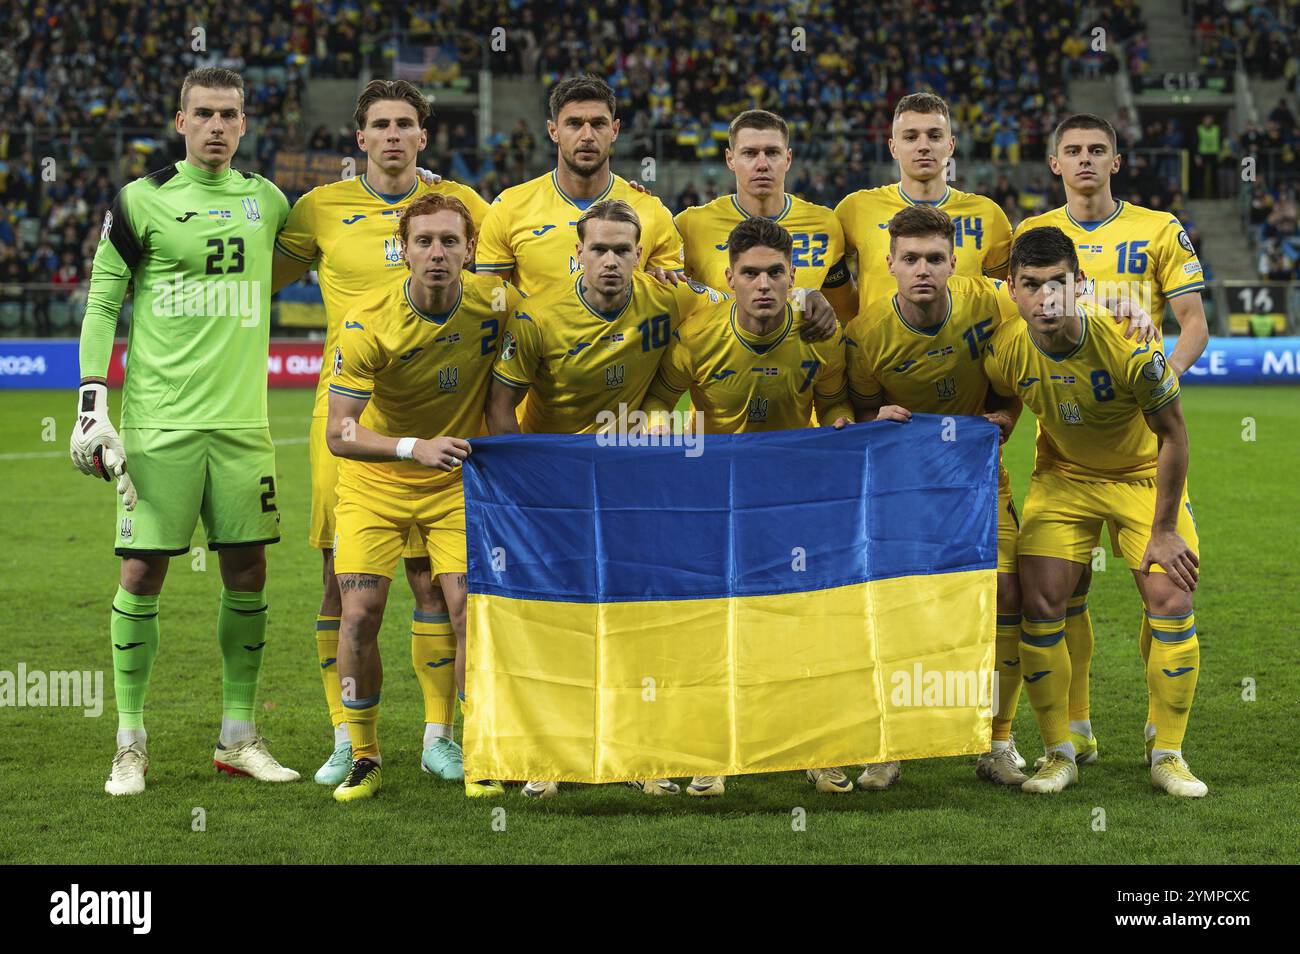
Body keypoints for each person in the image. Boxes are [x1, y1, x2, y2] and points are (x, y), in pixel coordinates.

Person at [72, 67, 297, 796]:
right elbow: (105, 297)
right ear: (179, 121)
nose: (217, 127)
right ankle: (129, 742)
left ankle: (238, 736)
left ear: (244, 122)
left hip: (242, 427)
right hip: (160, 425)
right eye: (203, 113)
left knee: (249, 572)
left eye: (230, 114)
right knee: (141, 572)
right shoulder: (142, 200)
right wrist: (90, 399)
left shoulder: (268, 201)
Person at [272, 79, 490, 788]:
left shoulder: (462, 207)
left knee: (437, 586)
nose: (393, 135)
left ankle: (440, 737)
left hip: (445, 427)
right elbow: (255, 279)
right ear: (359, 137)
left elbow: (499, 296)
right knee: (344, 589)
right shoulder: (318, 209)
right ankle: (348, 738)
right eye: (379, 125)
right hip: (348, 422)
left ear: (423, 136)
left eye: (405, 124)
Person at [485, 199, 731, 799]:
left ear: (642, 256)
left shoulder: (669, 297)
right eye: (599, 248)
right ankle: (550, 758)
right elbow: (497, 410)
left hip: (631, 486)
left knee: (639, 621)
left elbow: (747, 302)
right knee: (556, 624)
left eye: (624, 249)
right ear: (578, 254)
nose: (612, 260)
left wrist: (813, 303)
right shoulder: (537, 319)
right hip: (555, 491)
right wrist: (530, 481)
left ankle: (646, 755)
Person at [1014, 114, 1209, 767]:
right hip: (1064, 451)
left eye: (1098, 150)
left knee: (1165, 587)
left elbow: (1192, 324)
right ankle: (1078, 729)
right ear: (1055, 163)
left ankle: (1162, 732)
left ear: (1117, 161)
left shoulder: (1158, 229)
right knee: (1060, 594)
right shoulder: (1031, 238)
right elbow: (1003, 324)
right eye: (1074, 150)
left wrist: (1157, 383)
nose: (1087, 160)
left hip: (1141, 442)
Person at [983, 226, 1205, 797]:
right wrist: (1005, 419)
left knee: (1171, 598)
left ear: (1081, 285)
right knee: (1040, 603)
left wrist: (1162, 530)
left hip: (1143, 479)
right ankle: (1060, 751)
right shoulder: (1007, 347)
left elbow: (1175, 436)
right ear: (1012, 290)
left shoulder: (1132, 345)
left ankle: (1168, 754)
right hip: (1064, 480)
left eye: (1057, 283)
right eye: (1031, 285)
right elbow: (1002, 391)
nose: (1045, 298)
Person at [642, 216, 855, 798]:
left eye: (775, 273)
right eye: (750, 274)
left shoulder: (822, 339)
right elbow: (656, 406)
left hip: (793, 502)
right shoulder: (695, 337)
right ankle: (710, 754)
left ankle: (817, 749)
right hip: (715, 505)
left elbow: (837, 414)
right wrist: (665, 450)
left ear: (794, 279)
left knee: (803, 626)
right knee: (709, 631)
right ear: (729, 279)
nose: (763, 284)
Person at [324, 193, 523, 802]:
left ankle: (469, 745)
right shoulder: (366, 319)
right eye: (424, 242)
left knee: (468, 613)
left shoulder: (499, 306)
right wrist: (414, 447)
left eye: (450, 241)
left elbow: (508, 398)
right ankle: (363, 752)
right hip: (375, 485)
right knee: (358, 615)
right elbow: (341, 432)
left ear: (469, 250)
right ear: (403, 250)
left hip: (454, 486)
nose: (437, 253)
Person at [836, 92, 1014, 314]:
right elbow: (827, 276)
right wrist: (851, 315)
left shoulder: (988, 215)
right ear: (893, 147)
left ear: (950, 145)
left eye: (934, 136)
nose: (923, 146)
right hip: (877, 348)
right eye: (911, 137)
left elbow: (1008, 295)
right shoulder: (855, 208)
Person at [674, 109, 857, 324]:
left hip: (801, 356)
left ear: (787, 159)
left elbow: (843, 311)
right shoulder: (690, 225)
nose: (762, 164)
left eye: (772, 152)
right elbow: (674, 304)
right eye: (750, 153)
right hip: (721, 356)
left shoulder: (825, 224)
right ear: (730, 159)